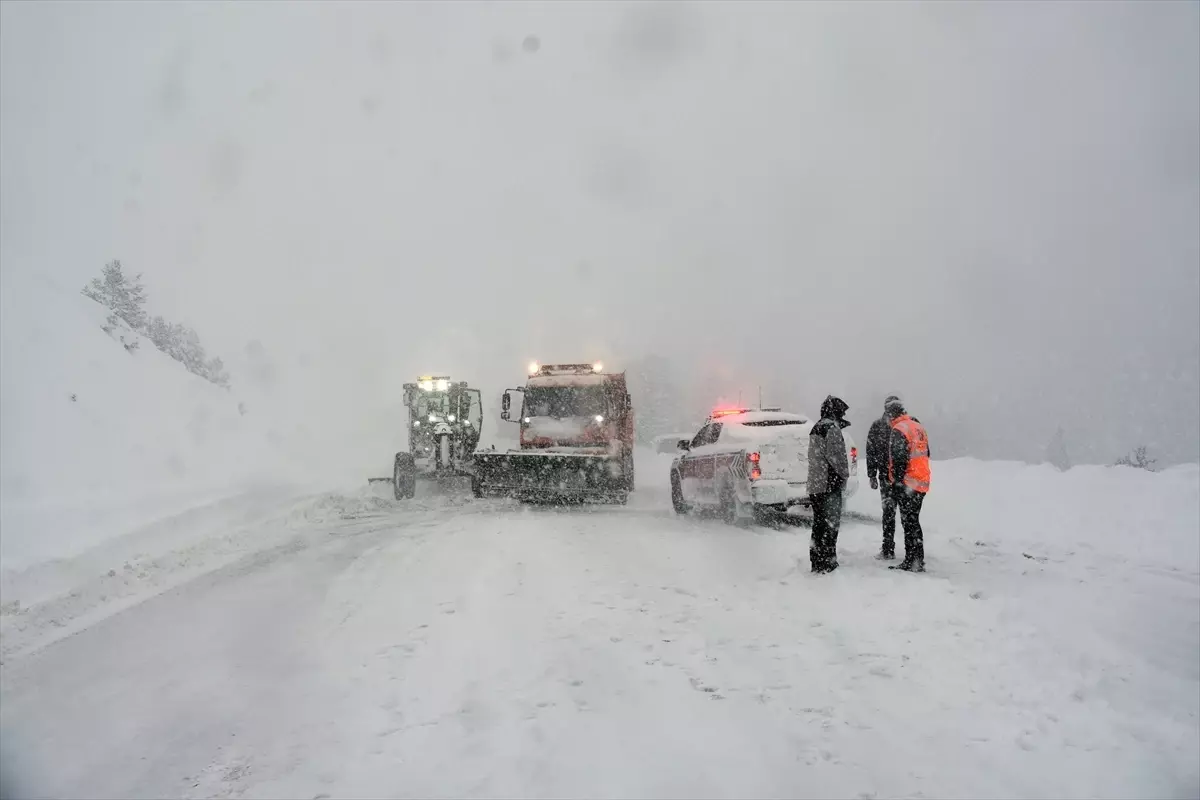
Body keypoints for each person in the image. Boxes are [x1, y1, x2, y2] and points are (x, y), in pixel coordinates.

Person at [884, 400, 931, 572]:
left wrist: (896, 483)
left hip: (908, 483)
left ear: (891, 415)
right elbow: (927, 452)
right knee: (914, 521)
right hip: (921, 481)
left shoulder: (899, 429)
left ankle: (912, 561)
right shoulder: (918, 427)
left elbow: (899, 459)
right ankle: (918, 559)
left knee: (909, 523)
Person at [807, 395, 851, 574]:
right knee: (830, 525)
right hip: (829, 485)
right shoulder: (831, 428)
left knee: (818, 524)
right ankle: (828, 562)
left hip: (816, 484)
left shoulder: (816, 427)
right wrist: (844, 475)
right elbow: (837, 458)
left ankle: (816, 561)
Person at [865, 395, 904, 560]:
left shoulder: (878, 426)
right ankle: (910, 549)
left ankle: (888, 548)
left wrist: (872, 475)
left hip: (887, 478)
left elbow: (870, 452)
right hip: (903, 478)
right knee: (906, 515)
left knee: (889, 514)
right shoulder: (905, 424)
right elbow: (871, 451)